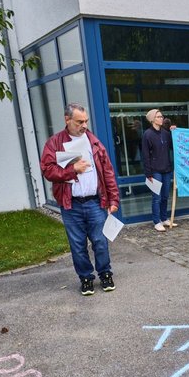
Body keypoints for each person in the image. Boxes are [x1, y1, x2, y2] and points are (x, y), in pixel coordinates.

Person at [40, 103, 121, 295]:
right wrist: (72, 170)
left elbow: (108, 172)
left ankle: (105, 273)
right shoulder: (54, 143)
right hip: (71, 204)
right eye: (79, 122)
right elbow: (47, 170)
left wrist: (113, 199)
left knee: (100, 241)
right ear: (67, 120)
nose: (84, 125)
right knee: (77, 245)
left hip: (95, 202)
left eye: (86, 121)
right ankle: (86, 278)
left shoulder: (93, 142)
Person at [141, 108, 177, 231]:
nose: (161, 118)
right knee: (157, 197)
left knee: (165, 196)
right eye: (158, 117)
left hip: (166, 169)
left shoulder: (165, 133)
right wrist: (148, 173)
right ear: (152, 119)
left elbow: (173, 146)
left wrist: (174, 133)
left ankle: (164, 218)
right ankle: (157, 221)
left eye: (162, 116)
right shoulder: (147, 134)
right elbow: (145, 155)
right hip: (155, 171)